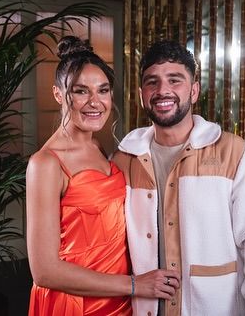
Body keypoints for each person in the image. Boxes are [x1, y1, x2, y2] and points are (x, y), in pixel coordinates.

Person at [112, 39, 245, 316]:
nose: (162, 90)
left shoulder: (233, 152)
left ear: (194, 91)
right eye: (152, 82)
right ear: (142, 93)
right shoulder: (124, 159)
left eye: (174, 80)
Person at [26, 36, 180, 315]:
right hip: (77, 304)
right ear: (59, 94)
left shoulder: (99, 146)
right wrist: (134, 284)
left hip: (118, 300)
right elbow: (44, 271)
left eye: (103, 90)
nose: (95, 102)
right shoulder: (46, 163)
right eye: (81, 91)